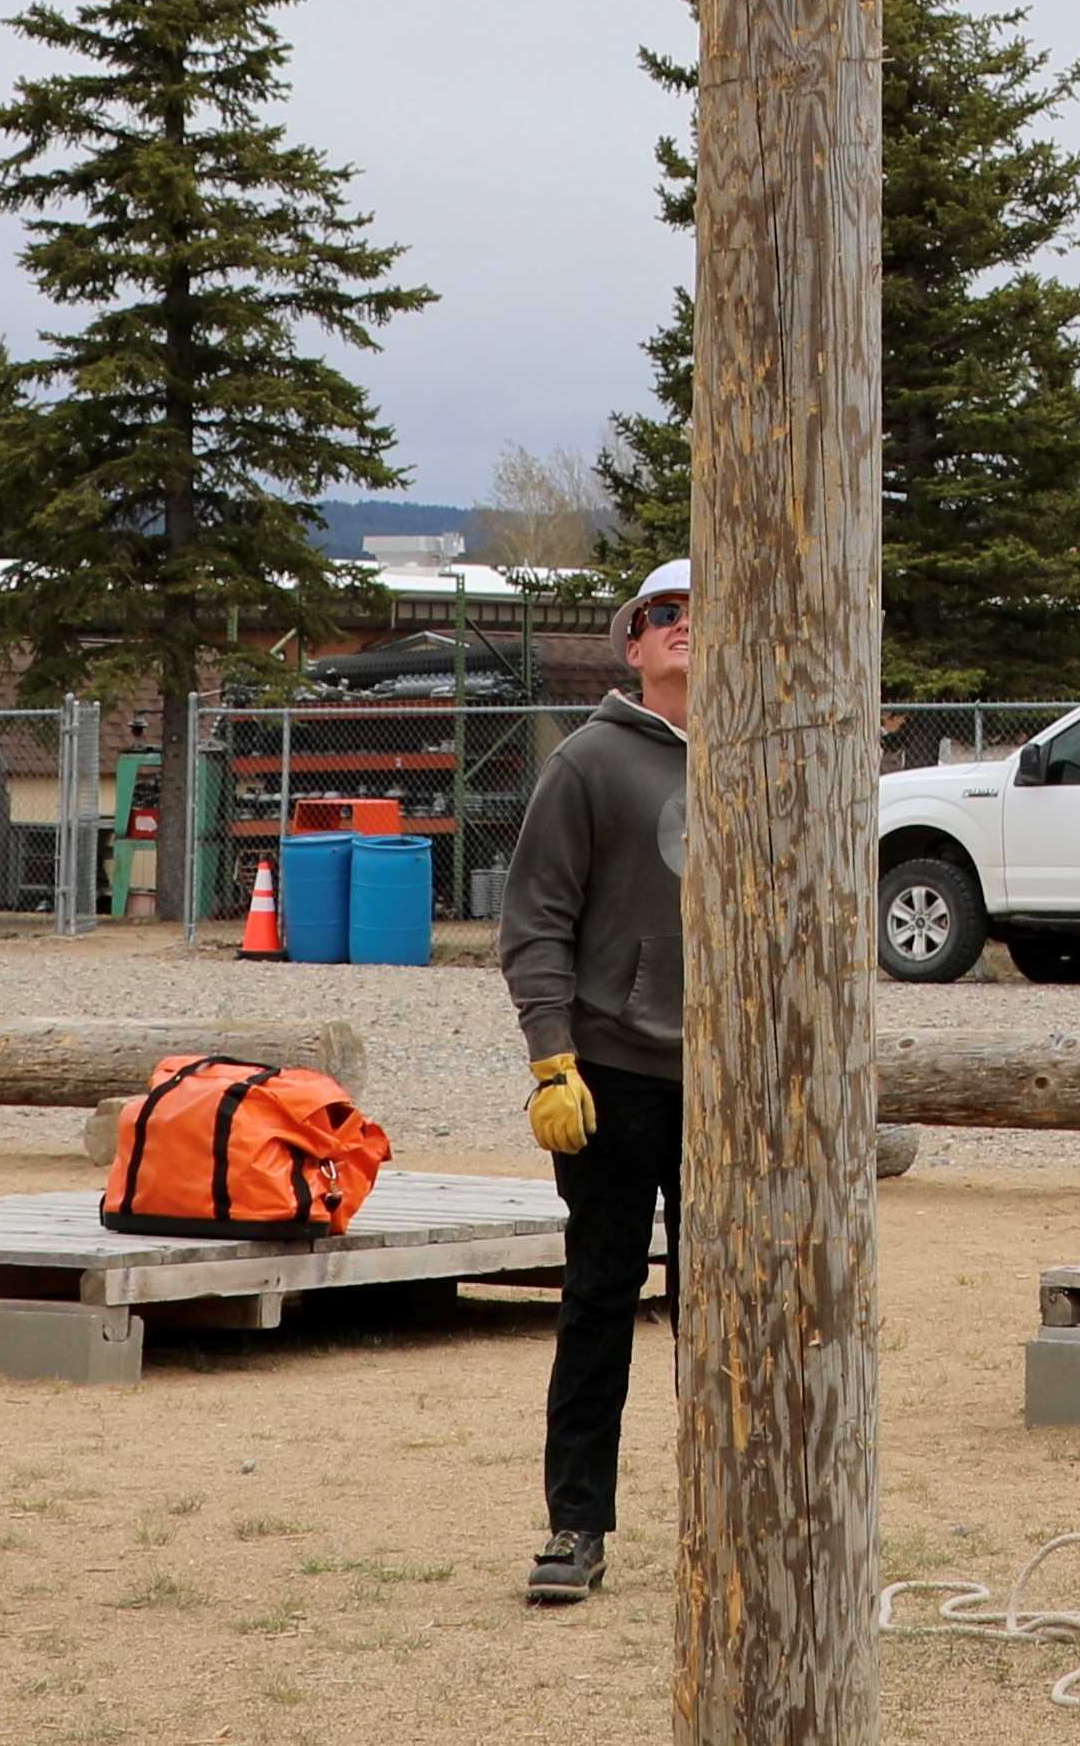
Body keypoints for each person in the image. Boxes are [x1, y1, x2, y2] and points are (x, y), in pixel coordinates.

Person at [495, 552, 695, 1610]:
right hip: (615, 1075)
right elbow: (533, 924)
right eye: (665, 613)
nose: (686, 626)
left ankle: (734, 1519)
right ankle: (577, 1526)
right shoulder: (589, 764)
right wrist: (551, 1058)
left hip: (736, 1089)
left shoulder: (763, 757)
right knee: (600, 1299)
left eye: (707, 612)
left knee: (733, 1311)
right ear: (632, 642)